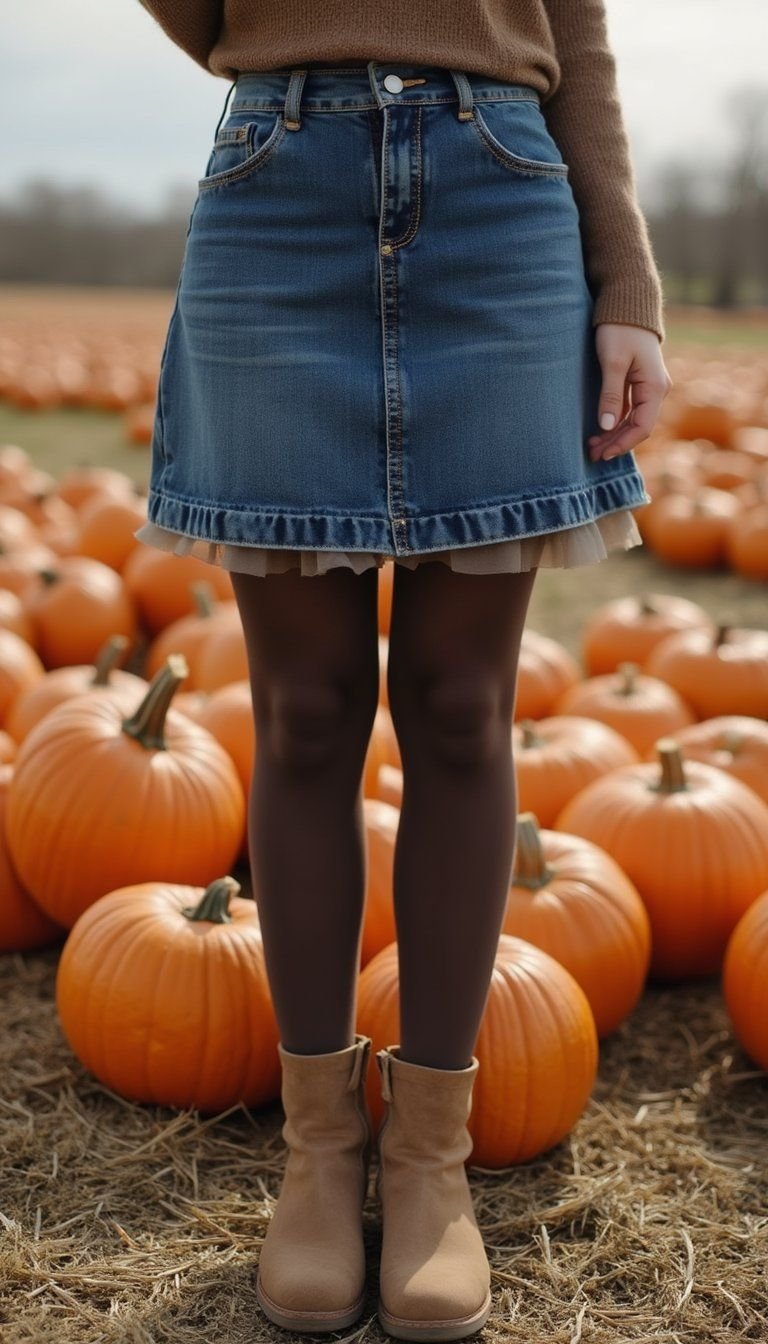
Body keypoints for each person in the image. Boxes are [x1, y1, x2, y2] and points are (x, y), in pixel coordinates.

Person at [134, 3, 672, 1339]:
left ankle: (430, 1155)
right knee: (306, 713)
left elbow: (579, 37)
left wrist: (630, 285)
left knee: (460, 706)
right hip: (280, 184)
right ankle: (320, 1152)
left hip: (505, 197)